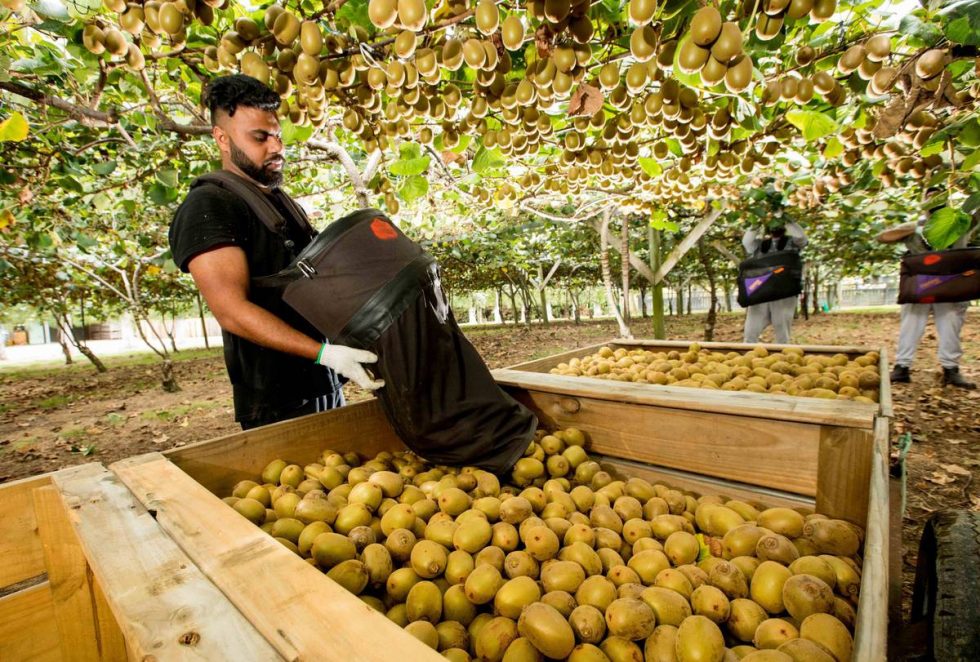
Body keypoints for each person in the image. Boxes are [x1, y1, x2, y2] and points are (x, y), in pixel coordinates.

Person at [169, 74, 383, 430]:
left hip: (322, 381)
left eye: (277, 135)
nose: (276, 147)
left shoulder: (279, 202)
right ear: (222, 138)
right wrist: (323, 353)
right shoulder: (209, 205)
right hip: (277, 400)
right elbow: (232, 311)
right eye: (260, 138)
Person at [878, 214, 977, 389]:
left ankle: (951, 370)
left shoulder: (960, 222)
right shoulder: (915, 227)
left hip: (950, 281)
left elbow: (976, 216)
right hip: (921, 282)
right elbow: (883, 237)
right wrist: (918, 226)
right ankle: (902, 367)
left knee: (950, 324)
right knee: (911, 324)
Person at [741, 218, 807, 344]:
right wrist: (757, 221)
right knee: (751, 331)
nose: (775, 226)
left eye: (778, 223)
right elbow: (746, 242)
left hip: (784, 292)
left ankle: (783, 353)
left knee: (782, 329)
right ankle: (748, 352)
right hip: (761, 291)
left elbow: (801, 237)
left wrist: (786, 219)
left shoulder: (792, 243)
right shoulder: (760, 244)